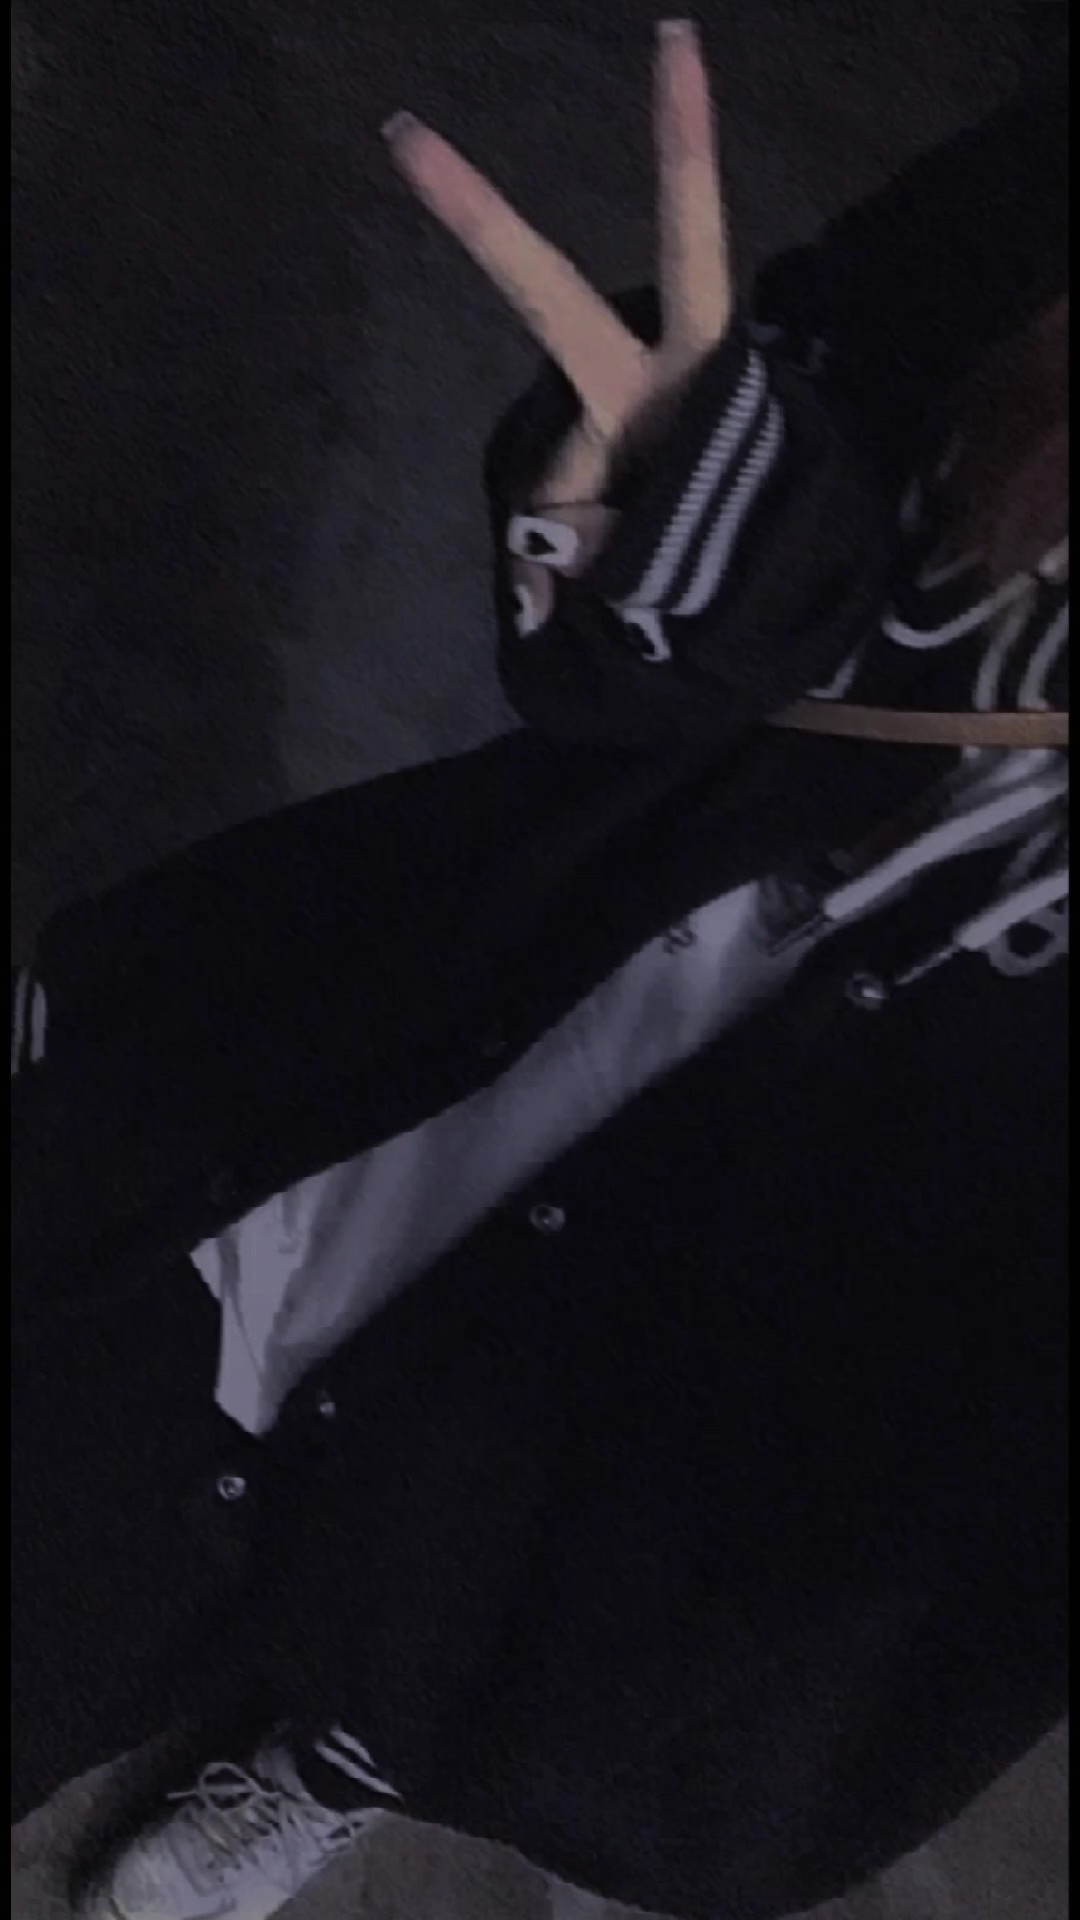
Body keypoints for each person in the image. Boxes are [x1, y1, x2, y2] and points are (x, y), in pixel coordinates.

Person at [11, 21, 1068, 1920]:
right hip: (361, 1111)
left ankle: (346, 1741)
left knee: (463, 1630)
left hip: (707, 1402)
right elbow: (775, 396)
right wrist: (667, 545)